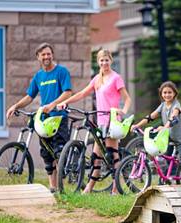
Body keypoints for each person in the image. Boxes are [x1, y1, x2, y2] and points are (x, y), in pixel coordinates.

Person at [57, 49, 132, 194]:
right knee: (96, 157)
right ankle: (89, 188)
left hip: (112, 120)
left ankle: (116, 189)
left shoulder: (116, 78)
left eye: (107, 60)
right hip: (100, 120)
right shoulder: (97, 79)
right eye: (101, 60)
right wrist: (65, 102)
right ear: (98, 62)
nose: (104, 63)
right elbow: (82, 93)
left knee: (112, 154)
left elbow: (127, 98)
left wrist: (123, 110)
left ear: (110, 60)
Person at [6, 42, 73, 193]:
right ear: (38, 57)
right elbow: (30, 96)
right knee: (46, 153)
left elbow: (68, 92)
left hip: (59, 117)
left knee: (58, 151)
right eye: (43, 54)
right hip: (44, 120)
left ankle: (61, 188)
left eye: (49, 53)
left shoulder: (61, 71)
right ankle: (53, 188)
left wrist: (53, 104)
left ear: (52, 55)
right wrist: (15, 106)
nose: (46, 57)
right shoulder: (38, 76)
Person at [131, 81, 181, 183]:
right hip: (168, 138)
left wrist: (164, 127)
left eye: (169, 92)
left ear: (174, 93)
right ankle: (167, 179)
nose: (167, 95)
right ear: (161, 94)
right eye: (165, 93)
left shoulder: (177, 106)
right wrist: (137, 125)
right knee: (166, 159)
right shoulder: (162, 105)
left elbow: (173, 118)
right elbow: (150, 117)